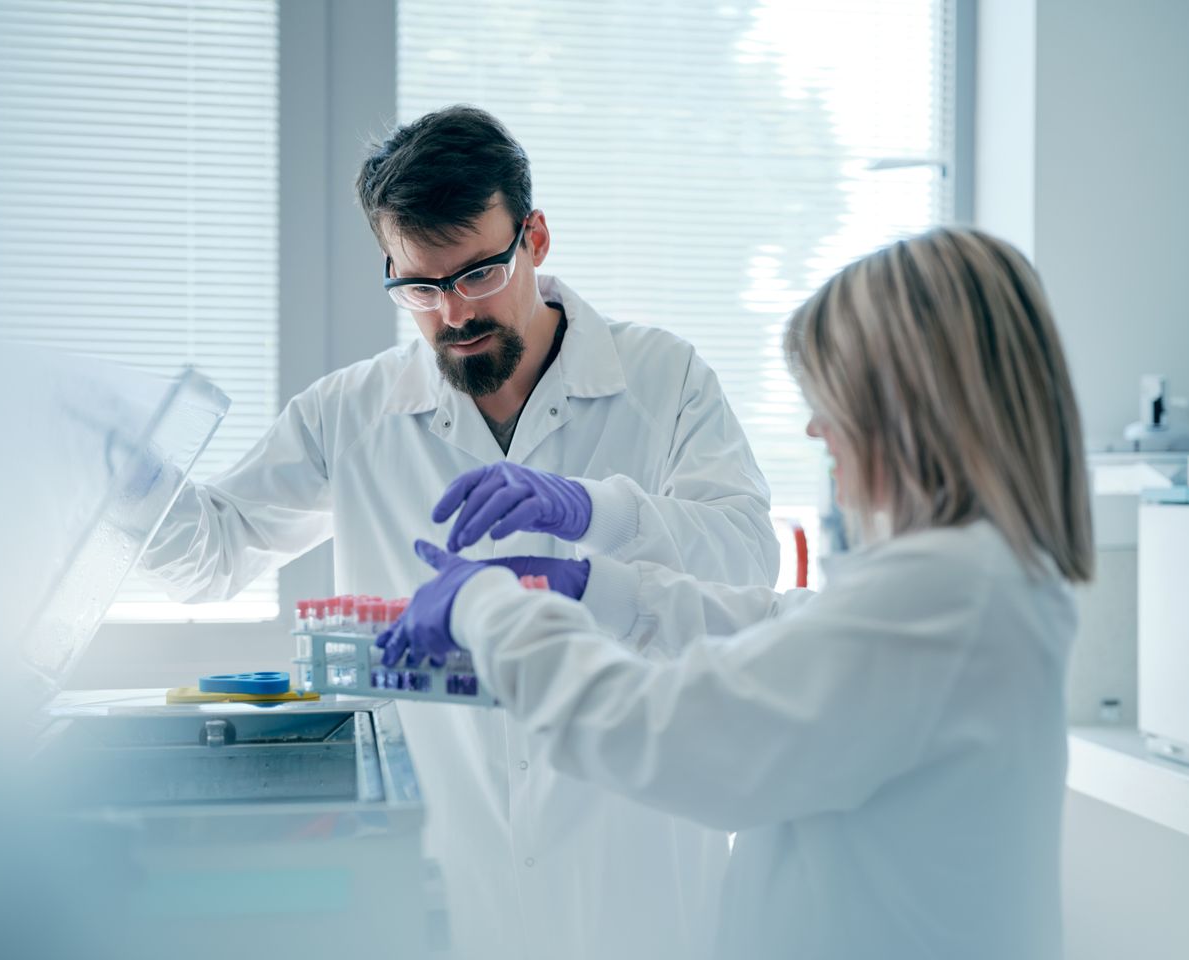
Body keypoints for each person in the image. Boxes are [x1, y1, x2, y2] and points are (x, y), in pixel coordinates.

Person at [140, 105, 779, 960]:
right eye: (420, 287)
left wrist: (597, 508)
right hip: (447, 887)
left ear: (534, 238)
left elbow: (747, 558)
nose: (452, 314)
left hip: (639, 877)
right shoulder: (351, 412)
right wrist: (125, 476)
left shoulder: (663, 378)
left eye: (478, 274)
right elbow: (209, 559)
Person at [383, 226, 1094, 959]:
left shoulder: (947, 595)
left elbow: (668, 735)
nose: (816, 429)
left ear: (913, 407)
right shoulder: (978, 579)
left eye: (835, 399)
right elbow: (790, 628)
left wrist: (489, 610)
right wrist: (601, 589)